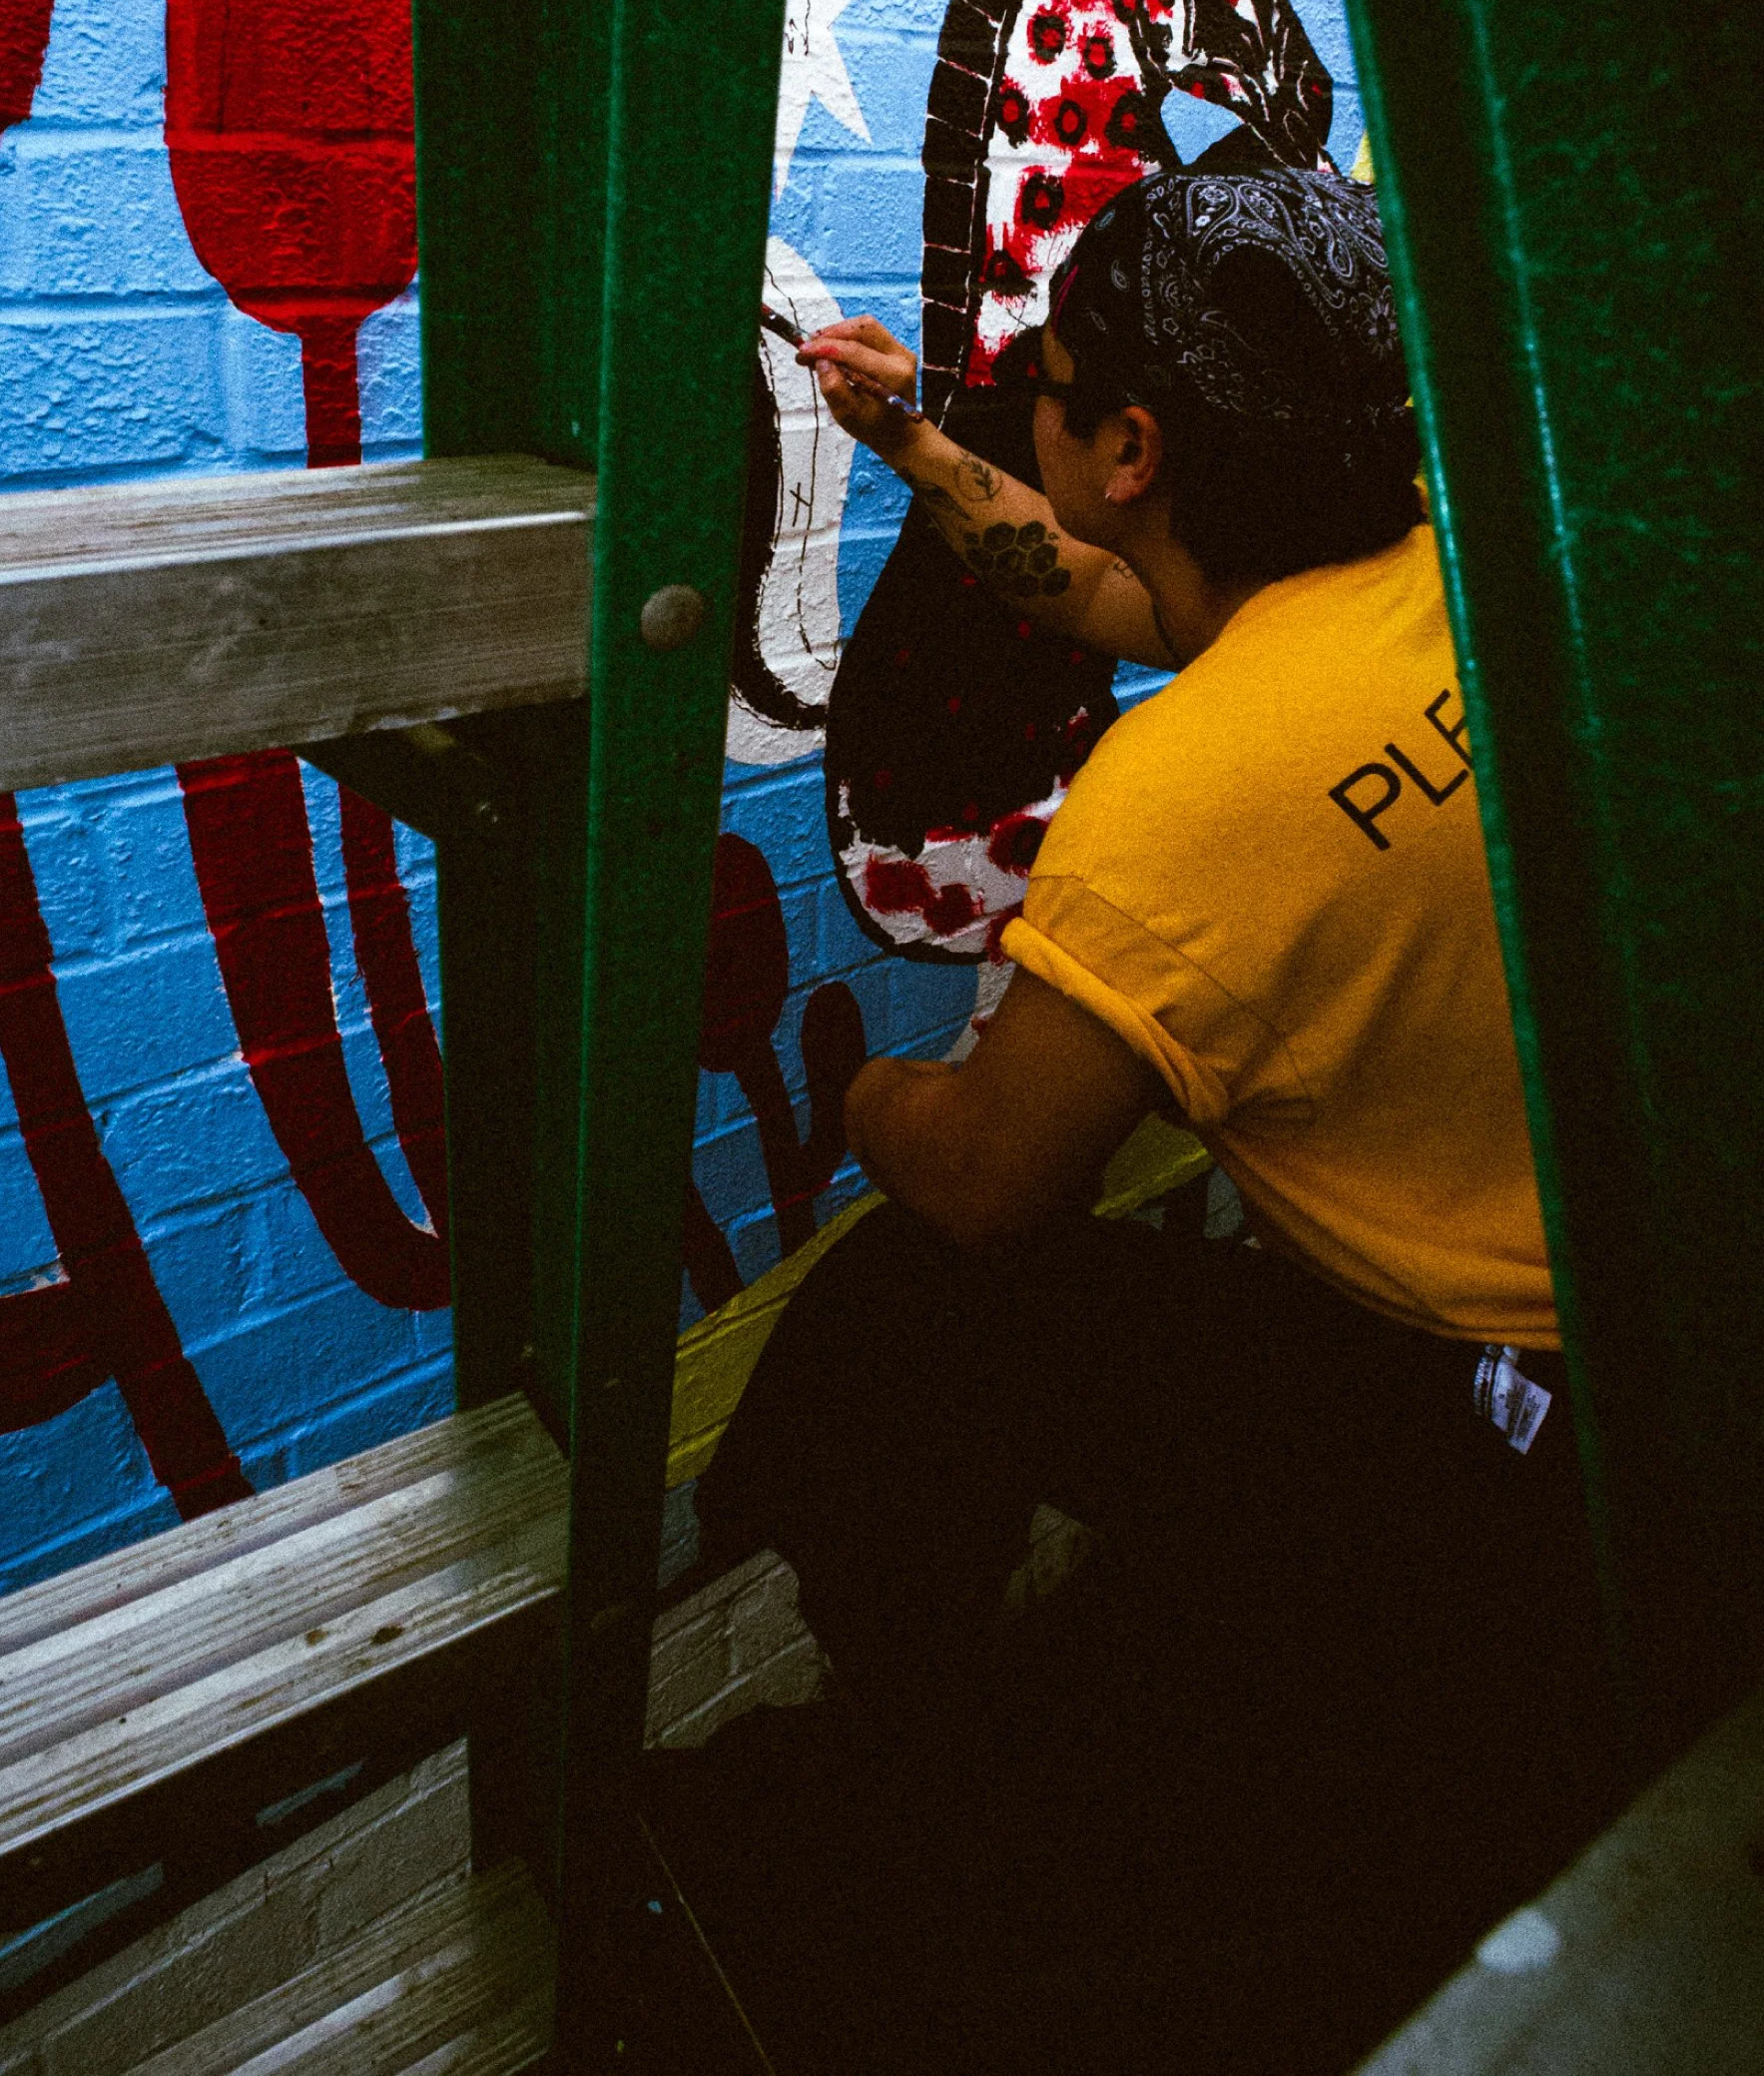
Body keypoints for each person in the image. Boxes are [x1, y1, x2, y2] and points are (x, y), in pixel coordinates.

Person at [689, 169, 1617, 2060]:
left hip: (1488, 1463)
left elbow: (992, 1185)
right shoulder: (1452, 548)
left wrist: (863, 1086)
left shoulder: (1177, 797)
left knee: (897, 1319)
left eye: (1057, 382)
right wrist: (911, 444)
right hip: (1641, 1352)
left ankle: (954, 1772)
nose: (1026, 397)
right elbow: (1124, 587)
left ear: (1130, 443)